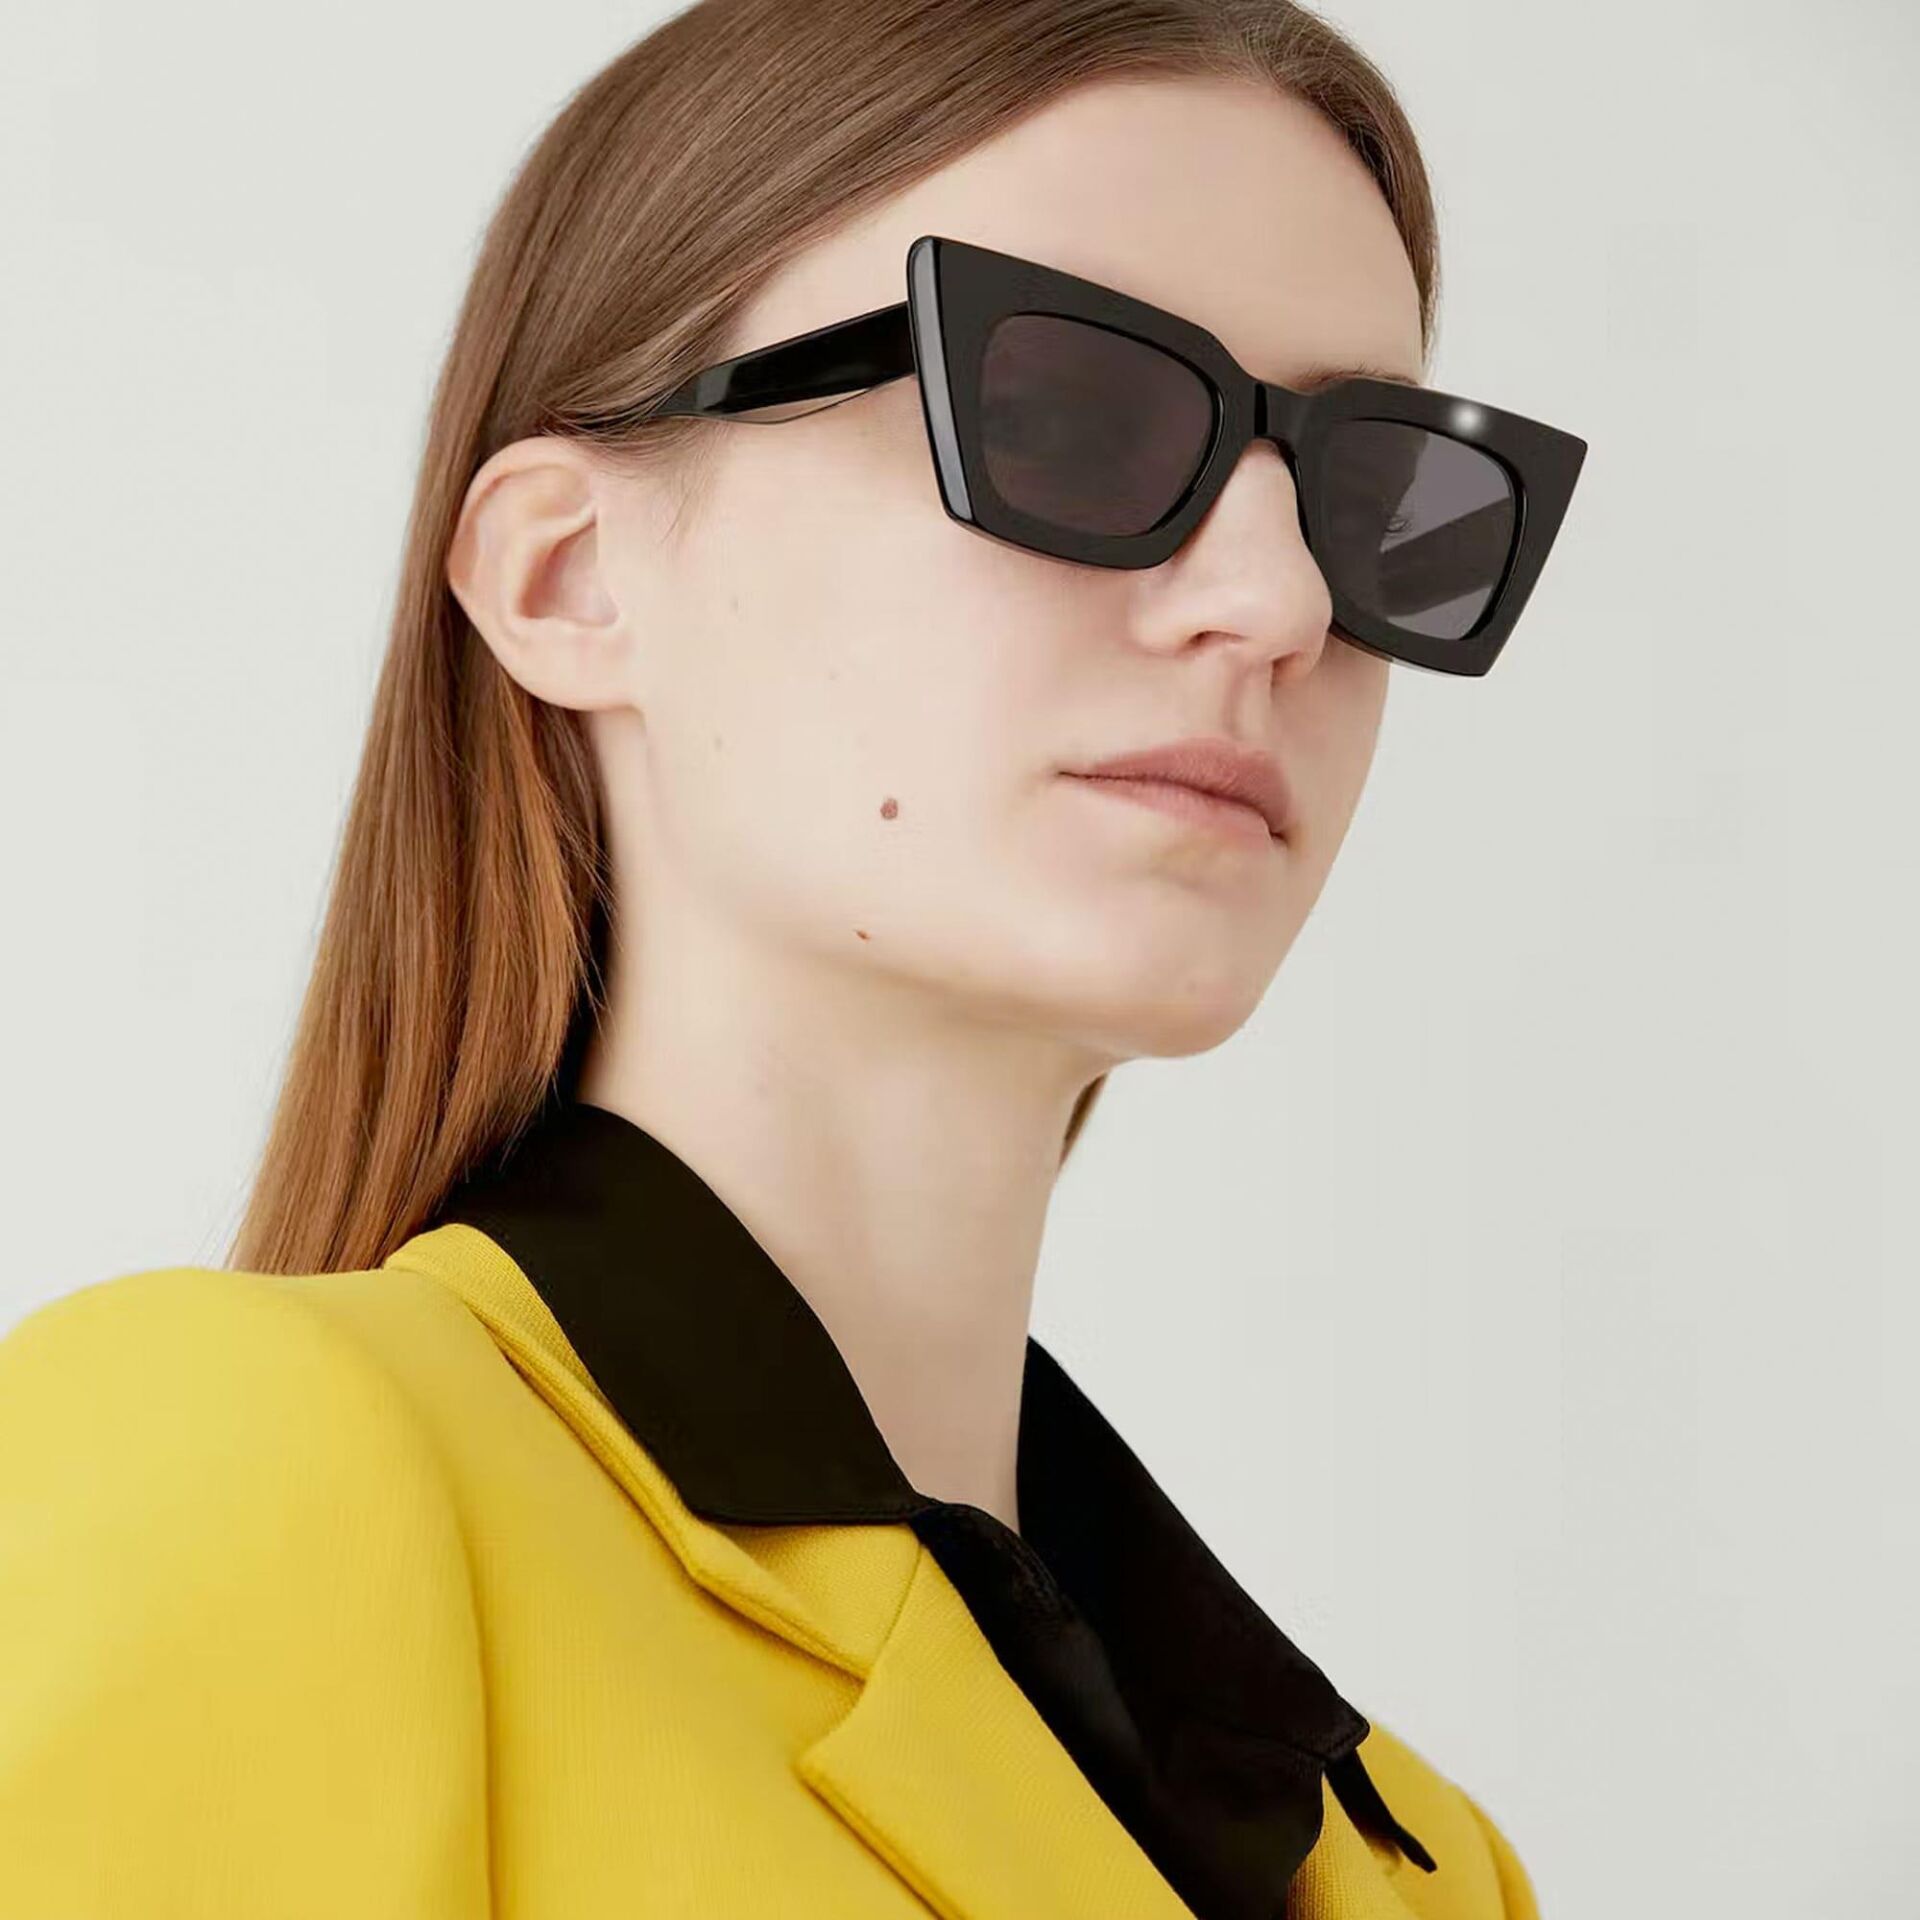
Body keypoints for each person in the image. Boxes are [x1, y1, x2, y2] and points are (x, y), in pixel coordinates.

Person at [0, 2, 1584, 1914]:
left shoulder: (1426, 1865)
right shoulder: (248, 1478)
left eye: (1367, 491)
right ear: (571, 576)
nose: (1278, 601)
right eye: (1066, 413)